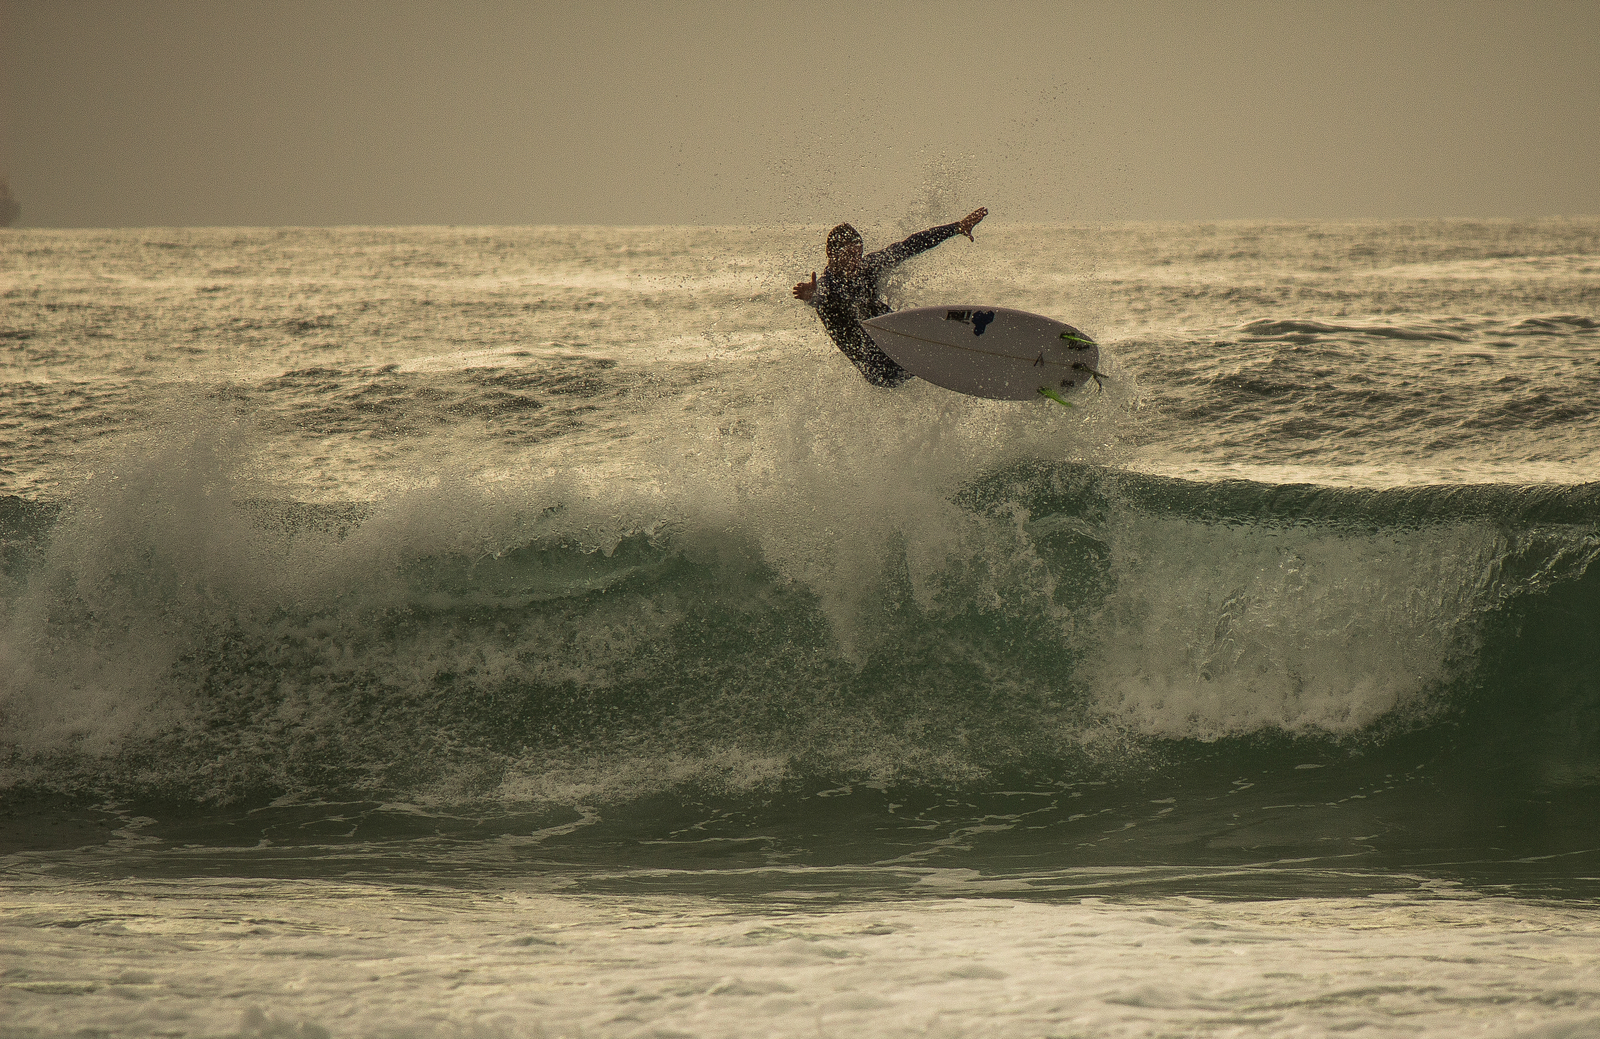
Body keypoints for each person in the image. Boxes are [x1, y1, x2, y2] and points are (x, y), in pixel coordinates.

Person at [792, 207, 988, 387]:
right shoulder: (828, 286)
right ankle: (950, 354)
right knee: (863, 309)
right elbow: (821, 296)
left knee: (883, 310)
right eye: (849, 255)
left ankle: (965, 351)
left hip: (899, 350)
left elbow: (910, 245)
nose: (855, 262)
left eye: (858, 254)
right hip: (878, 368)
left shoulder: (867, 267)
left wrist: (956, 227)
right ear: (832, 255)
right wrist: (811, 296)